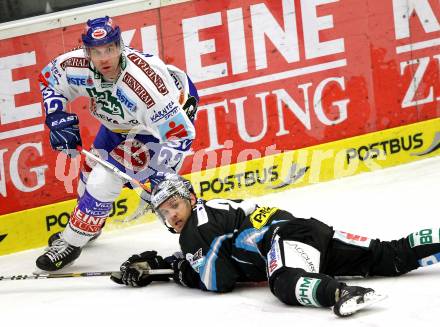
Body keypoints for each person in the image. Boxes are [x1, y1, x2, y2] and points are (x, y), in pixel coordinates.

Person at [110, 173, 440, 317]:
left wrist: (176, 271)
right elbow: (211, 252)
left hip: (283, 240)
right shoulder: (208, 215)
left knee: (283, 282)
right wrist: (161, 267)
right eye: (163, 213)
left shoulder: (196, 228)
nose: (171, 217)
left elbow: (217, 279)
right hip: (308, 232)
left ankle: (342, 293)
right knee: (390, 255)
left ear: (189, 199)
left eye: (174, 207)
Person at [36, 16, 199, 271]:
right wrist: (55, 115)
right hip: (117, 125)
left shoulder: (144, 84)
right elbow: (49, 80)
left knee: (108, 181)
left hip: (157, 127)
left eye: (110, 49)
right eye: (96, 52)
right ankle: (89, 228)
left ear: (120, 45)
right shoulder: (75, 65)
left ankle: (71, 242)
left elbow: (180, 133)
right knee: (88, 181)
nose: (104, 59)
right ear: (87, 51)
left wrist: (162, 173)